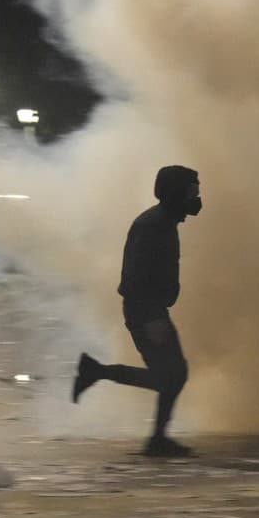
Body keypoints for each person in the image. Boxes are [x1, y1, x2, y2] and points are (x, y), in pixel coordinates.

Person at [71, 165, 201, 458]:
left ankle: (155, 435)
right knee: (172, 375)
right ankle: (97, 373)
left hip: (149, 309)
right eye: (191, 191)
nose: (196, 198)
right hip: (146, 311)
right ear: (175, 193)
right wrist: (152, 317)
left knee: (170, 375)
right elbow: (135, 275)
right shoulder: (153, 225)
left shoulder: (163, 222)